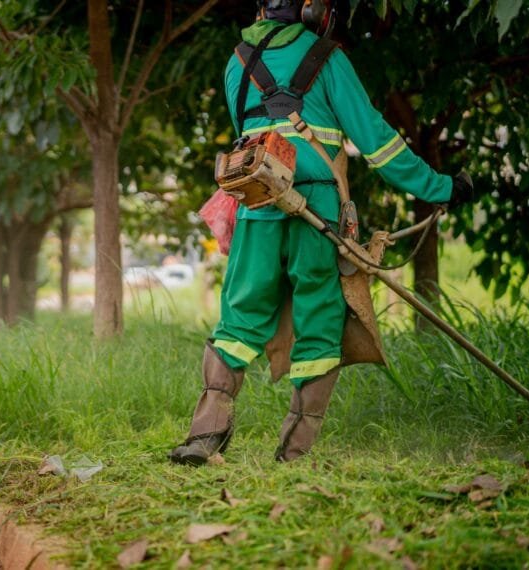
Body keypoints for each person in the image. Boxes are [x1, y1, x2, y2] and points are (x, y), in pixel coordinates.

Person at [169, 0, 474, 466]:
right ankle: (294, 453)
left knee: (240, 316)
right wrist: (441, 187)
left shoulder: (236, 62)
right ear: (311, 9)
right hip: (318, 211)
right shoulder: (327, 56)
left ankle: (205, 436)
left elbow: (247, 138)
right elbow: (377, 141)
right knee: (319, 320)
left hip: (257, 204)